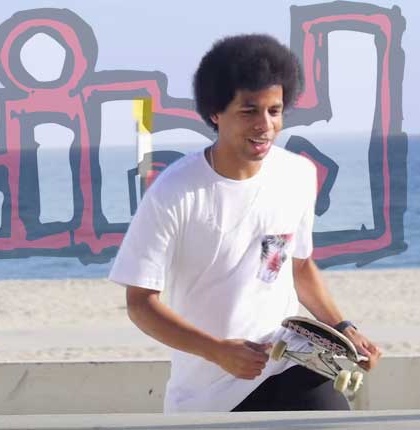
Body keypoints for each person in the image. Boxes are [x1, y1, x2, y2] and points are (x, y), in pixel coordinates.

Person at [108, 34, 381, 412]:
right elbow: (140, 304)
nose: (265, 125)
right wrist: (217, 351)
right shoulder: (174, 191)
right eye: (249, 111)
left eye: (274, 110)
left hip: (289, 362)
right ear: (215, 113)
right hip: (209, 394)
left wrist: (343, 328)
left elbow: (298, 267)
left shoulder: (297, 175)